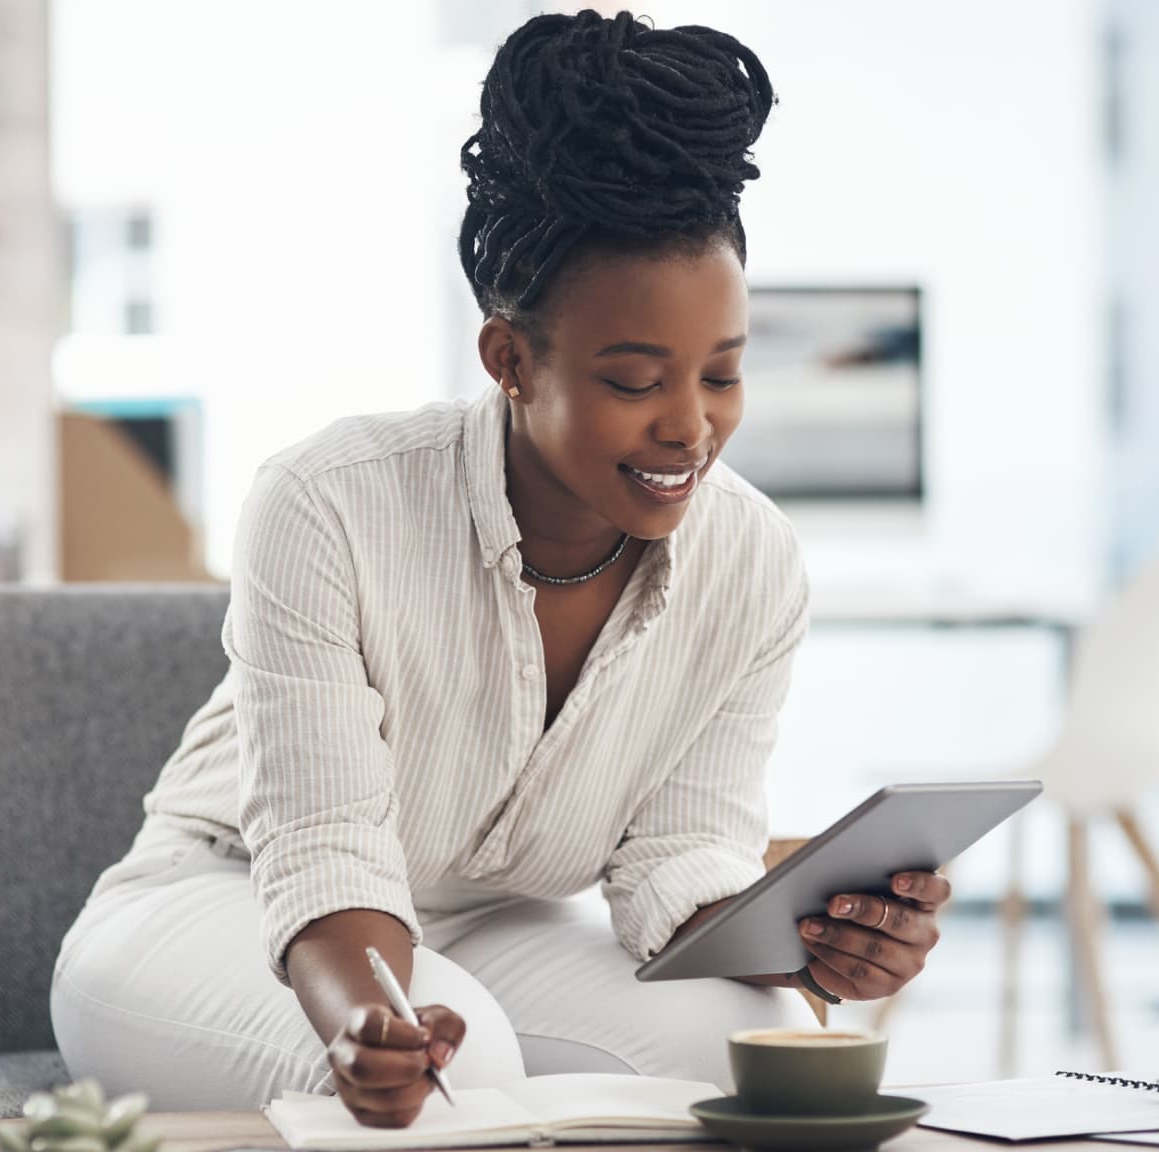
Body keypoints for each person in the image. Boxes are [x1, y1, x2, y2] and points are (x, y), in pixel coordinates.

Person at [51, 8, 951, 1127]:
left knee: (741, 1051)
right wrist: (360, 1024)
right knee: (456, 1076)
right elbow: (326, 850)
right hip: (222, 902)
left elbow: (678, 852)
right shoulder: (330, 502)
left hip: (487, 930)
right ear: (510, 357)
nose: (691, 429)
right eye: (635, 382)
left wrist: (813, 949)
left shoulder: (752, 560)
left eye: (720, 375)